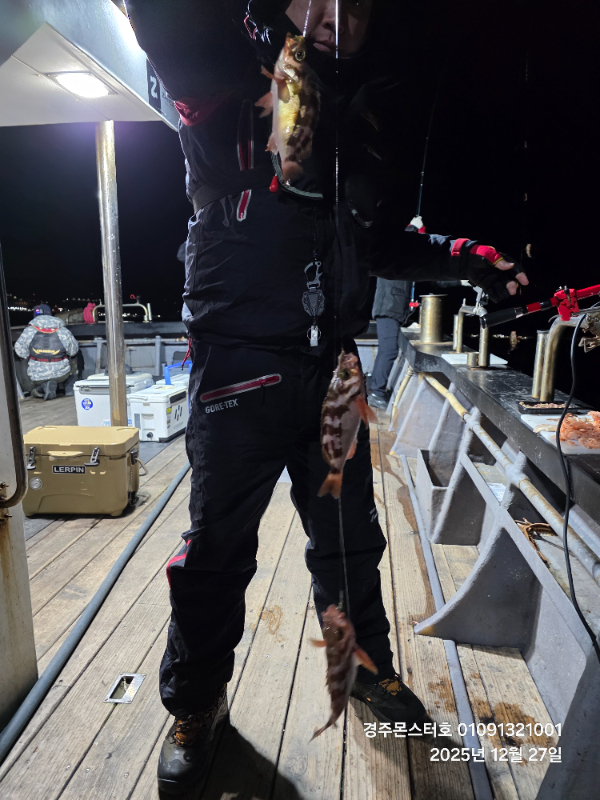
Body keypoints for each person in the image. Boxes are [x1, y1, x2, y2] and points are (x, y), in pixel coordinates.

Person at [125, 0, 529, 792]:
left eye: (356, 6)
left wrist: (465, 258)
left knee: (351, 544)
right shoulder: (229, 72)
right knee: (216, 554)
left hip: (334, 372)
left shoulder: (377, 115)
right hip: (239, 368)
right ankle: (196, 703)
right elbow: (166, 21)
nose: (332, 13)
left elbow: (381, 244)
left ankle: (367, 667)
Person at [14, 309, 79, 400]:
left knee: (34, 385)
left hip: (37, 375)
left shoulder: (28, 332)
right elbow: (73, 351)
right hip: (62, 374)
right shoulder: (64, 331)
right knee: (76, 358)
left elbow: (20, 352)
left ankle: (42, 388)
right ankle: (69, 389)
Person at [368, 278, 412, 409]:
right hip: (389, 306)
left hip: (392, 306)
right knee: (389, 351)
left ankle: (376, 390)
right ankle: (377, 393)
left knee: (386, 350)